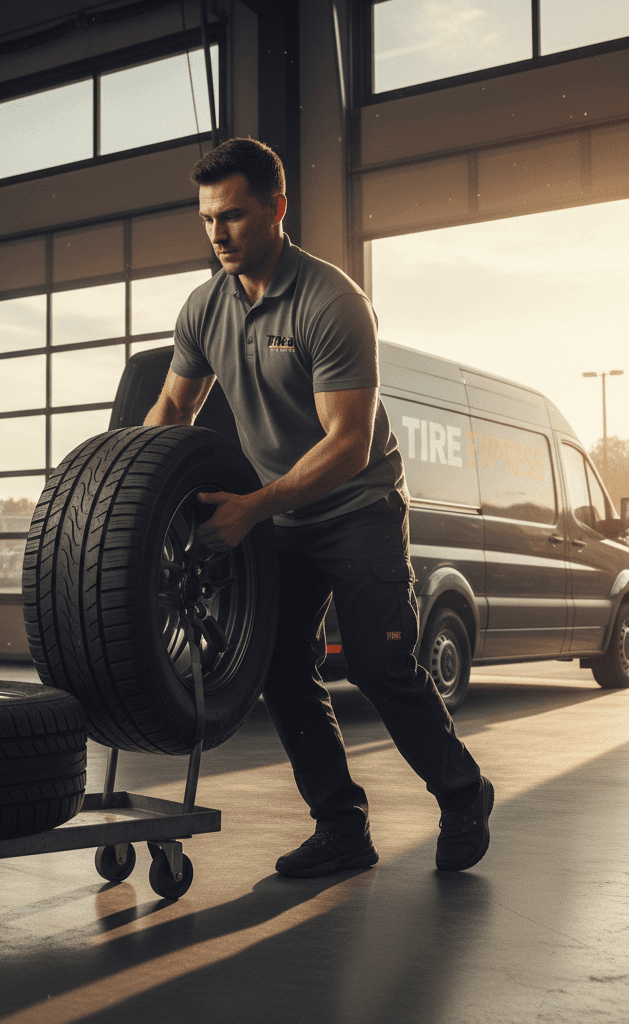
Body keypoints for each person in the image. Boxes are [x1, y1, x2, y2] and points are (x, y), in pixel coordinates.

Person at [145, 137, 493, 877]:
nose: (218, 234)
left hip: (357, 506)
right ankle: (342, 827)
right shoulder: (204, 309)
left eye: (234, 216)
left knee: (380, 665)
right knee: (278, 668)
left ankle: (463, 794)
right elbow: (172, 408)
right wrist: (122, 495)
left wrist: (250, 509)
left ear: (277, 209)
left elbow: (348, 445)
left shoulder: (332, 301)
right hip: (279, 514)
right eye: (208, 219)